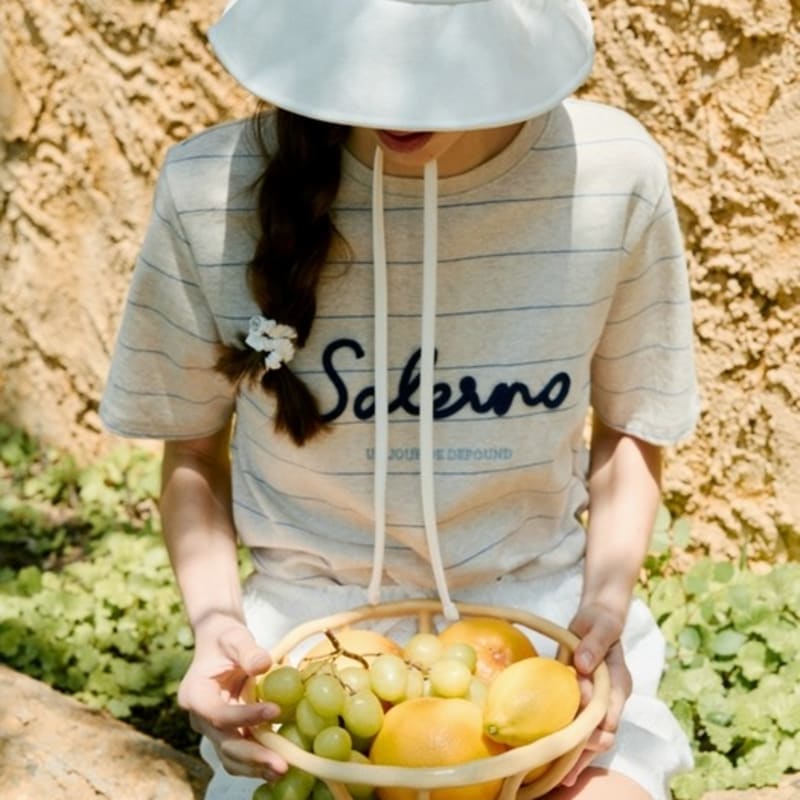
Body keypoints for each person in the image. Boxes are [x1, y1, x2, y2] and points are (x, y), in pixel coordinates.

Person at [100, 0, 700, 798]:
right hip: (309, 658)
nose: (397, 97)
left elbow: (630, 427)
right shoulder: (210, 190)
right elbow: (192, 453)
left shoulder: (612, 173)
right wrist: (216, 626)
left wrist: (605, 610)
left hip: (540, 636)